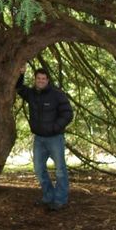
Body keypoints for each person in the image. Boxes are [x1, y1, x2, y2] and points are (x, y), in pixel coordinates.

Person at [16, 66, 74, 211]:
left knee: (60, 170)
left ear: (47, 80)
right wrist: (21, 74)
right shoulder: (32, 94)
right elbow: (18, 88)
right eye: (38, 78)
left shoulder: (57, 95)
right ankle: (48, 196)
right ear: (35, 80)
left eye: (43, 78)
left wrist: (55, 127)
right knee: (38, 169)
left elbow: (68, 113)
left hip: (55, 138)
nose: (40, 81)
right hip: (39, 139)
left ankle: (60, 199)